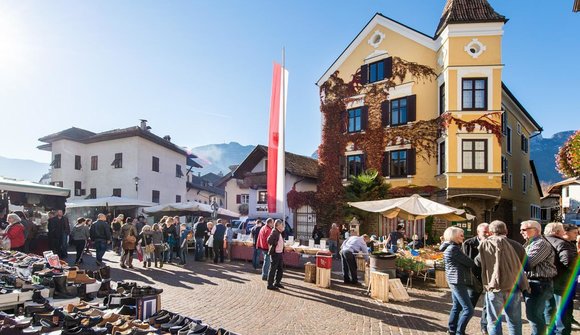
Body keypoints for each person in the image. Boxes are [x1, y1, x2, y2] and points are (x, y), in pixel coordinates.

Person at [476, 220, 529, 335]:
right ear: (506, 231)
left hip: (494, 287)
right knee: (514, 320)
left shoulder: (485, 244)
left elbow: (477, 262)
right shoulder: (517, 245)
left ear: (490, 232)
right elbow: (526, 264)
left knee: (494, 321)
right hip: (513, 286)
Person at [520, 220, 557, 335]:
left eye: (524, 229)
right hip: (535, 283)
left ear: (535, 230)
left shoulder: (540, 243)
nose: (521, 232)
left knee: (534, 316)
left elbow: (528, 263)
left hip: (539, 284)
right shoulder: (530, 243)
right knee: (536, 315)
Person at [440, 226, 475, 335]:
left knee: (457, 306)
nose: (463, 237)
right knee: (469, 310)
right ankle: (460, 332)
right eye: (461, 235)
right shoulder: (453, 248)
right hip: (457, 280)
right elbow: (470, 263)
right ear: (454, 236)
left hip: (453, 279)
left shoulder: (449, 247)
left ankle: (452, 330)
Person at [543, 222, 577, 335]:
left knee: (549, 309)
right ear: (557, 232)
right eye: (562, 230)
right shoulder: (563, 243)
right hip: (561, 283)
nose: (564, 233)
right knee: (563, 312)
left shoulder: (541, 241)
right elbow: (568, 262)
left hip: (546, 281)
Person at [462, 222, 489, 334]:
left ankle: (484, 327)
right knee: (469, 305)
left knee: (488, 305)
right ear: (478, 232)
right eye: (485, 232)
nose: (487, 234)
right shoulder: (468, 243)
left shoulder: (493, 243)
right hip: (474, 279)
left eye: (489, 232)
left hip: (489, 278)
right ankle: (460, 328)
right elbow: (466, 262)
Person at [266, 220, 285, 290]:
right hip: (275, 253)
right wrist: (275, 243)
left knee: (280, 269)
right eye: (281, 225)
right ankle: (270, 284)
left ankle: (277, 282)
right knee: (273, 269)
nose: (282, 226)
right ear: (277, 225)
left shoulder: (279, 232)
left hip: (279, 253)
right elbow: (269, 240)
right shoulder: (274, 231)